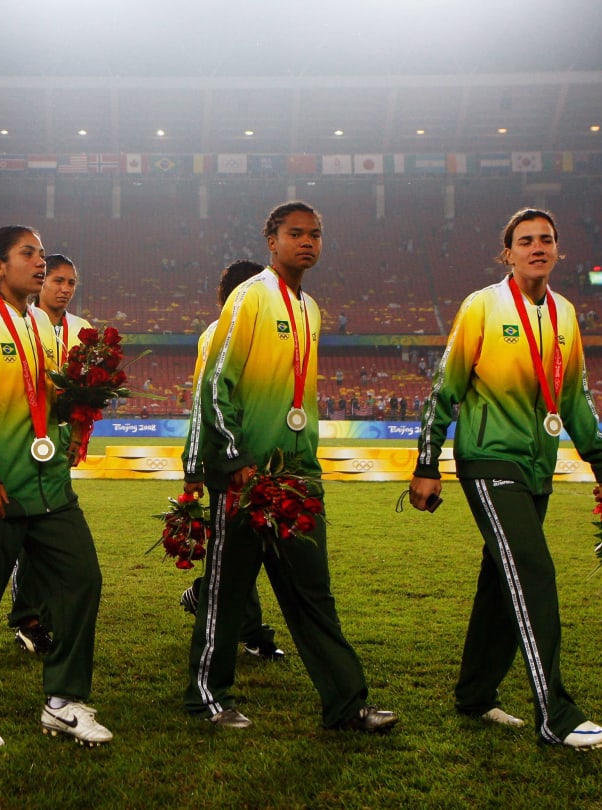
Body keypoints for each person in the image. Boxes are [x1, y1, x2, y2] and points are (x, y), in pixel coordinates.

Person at [407, 208, 602, 750]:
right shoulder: (482, 306)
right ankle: (558, 716)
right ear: (508, 253)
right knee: (532, 572)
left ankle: (475, 696)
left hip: (537, 468)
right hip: (487, 462)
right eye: (525, 240)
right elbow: (445, 388)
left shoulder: (566, 314)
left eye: (546, 238)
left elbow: (573, 398)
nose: (537, 247)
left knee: (501, 583)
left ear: (558, 249)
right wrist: (427, 464)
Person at [186, 202, 397, 732]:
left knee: (314, 593)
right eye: (295, 233)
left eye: (316, 234)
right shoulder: (251, 296)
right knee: (226, 593)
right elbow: (216, 384)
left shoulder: (311, 308)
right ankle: (208, 697)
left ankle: (346, 705)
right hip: (248, 473)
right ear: (271, 241)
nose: (307, 242)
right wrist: (233, 456)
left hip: (299, 474)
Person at [0, 226, 110, 747]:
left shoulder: (43, 324)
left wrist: (79, 405)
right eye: (28, 254)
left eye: (41, 254)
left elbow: (49, 402)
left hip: (50, 488)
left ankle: (63, 702)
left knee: (83, 580)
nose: (39, 264)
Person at [179, 259, 284, 662]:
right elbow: (201, 404)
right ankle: (250, 632)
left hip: (266, 461)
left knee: (249, 549)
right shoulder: (217, 336)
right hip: (232, 462)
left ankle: (207, 595)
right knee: (245, 549)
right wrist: (194, 466)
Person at [7, 254, 90, 655]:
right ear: (41, 282)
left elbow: (89, 394)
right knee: (30, 531)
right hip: (25, 439)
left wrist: (79, 435)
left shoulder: (83, 331)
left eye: (72, 282)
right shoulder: (24, 322)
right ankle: (28, 618)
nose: (65, 289)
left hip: (61, 441)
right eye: (58, 280)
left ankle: (41, 614)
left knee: (52, 531)